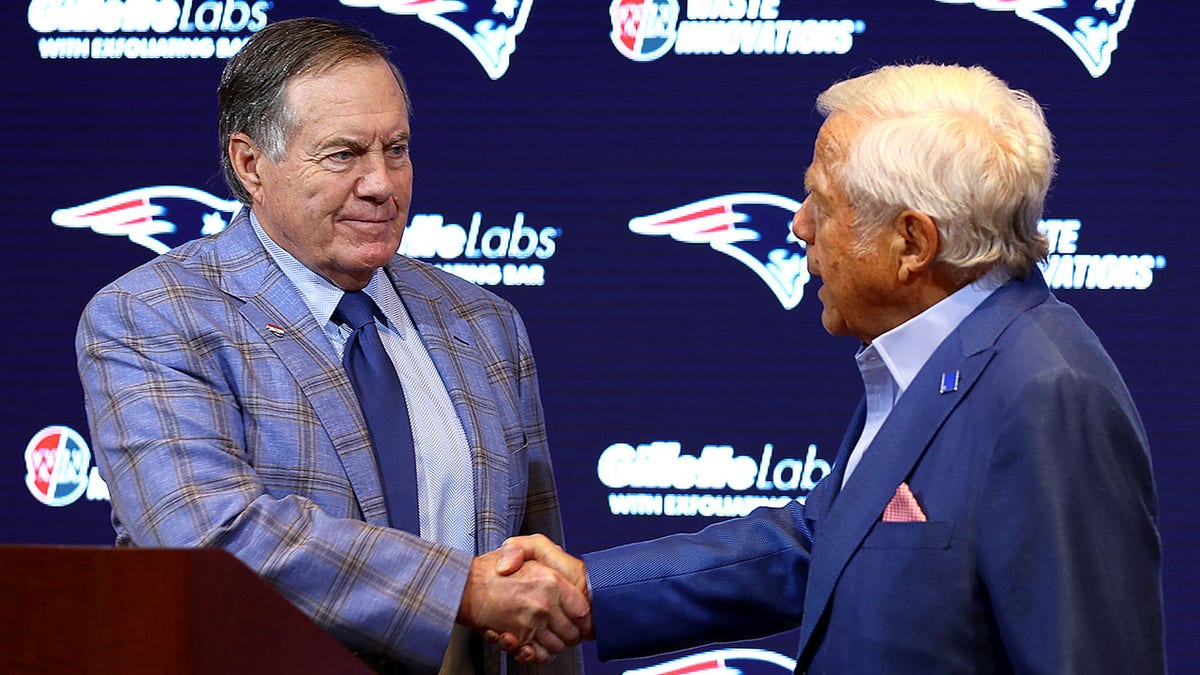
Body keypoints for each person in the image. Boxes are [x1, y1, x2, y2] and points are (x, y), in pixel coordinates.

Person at [496, 63, 1166, 672]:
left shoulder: (1047, 394)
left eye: (824, 203)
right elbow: (821, 544)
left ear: (911, 242)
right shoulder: (937, 356)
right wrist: (590, 590)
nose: (798, 225)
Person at [76, 17, 585, 673]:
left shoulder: (483, 322)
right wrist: (460, 589)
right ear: (250, 163)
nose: (382, 184)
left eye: (396, 149)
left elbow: (533, 577)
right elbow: (210, 538)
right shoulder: (153, 314)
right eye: (344, 154)